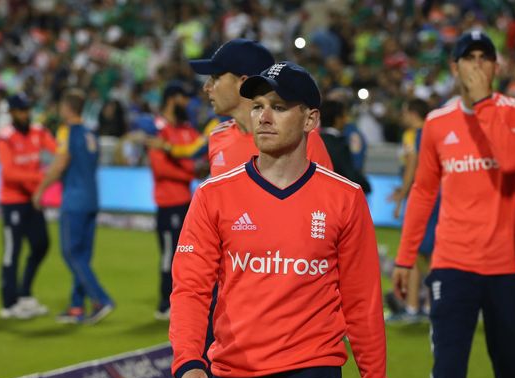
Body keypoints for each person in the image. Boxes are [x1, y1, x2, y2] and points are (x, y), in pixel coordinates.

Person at [169, 61, 390, 378]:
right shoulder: (213, 195)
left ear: (310, 120)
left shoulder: (345, 199)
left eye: (280, 107)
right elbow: (190, 288)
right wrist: (189, 360)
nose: (264, 117)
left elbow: (362, 302)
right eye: (257, 106)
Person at [392, 31, 515, 378]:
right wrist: (405, 259)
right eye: (467, 58)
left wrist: (485, 104)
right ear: (454, 69)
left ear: (495, 66)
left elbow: (509, 161)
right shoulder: (437, 123)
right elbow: (422, 193)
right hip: (453, 265)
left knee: (513, 375)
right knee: (447, 376)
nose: (476, 65)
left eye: (483, 57)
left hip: (510, 265)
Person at [188, 39, 333, 176]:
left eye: (215, 78)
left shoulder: (301, 139)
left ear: (242, 82)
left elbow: (325, 198)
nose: (206, 87)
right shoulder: (218, 136)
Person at [33, 88, 115, 325]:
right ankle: (77, 307)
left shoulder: (65, 132)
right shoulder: (91, 134)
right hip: (92, 198)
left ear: (67, 108)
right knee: (83, 256)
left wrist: (41, 189)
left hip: (74, 199)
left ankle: (100, 299)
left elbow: (60, 164)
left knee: (70, 252)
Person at [0, 94, 55, 319]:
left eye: (27, 109)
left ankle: (25, 293)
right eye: (21, 110)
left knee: (41, 244)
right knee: (13, 251)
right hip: (13, 202)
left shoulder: (38, 131)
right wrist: (40, 177)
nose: (25, 114)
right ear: (11, 113)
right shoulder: (5, 138)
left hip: (32, 200)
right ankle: (9, 304)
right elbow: (9, 173)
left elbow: (58, 150)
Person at [149, 81, 203, 320]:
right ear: (172, 99)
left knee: (187, 255)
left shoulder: (187, 129)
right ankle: (164, 303)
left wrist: (190, 169)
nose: (188, 103)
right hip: (168, 203)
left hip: (187, 202)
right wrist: (189, 172)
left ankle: (180, 300)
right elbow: (160, 169)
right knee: (169, 254)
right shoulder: (158, 129)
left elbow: (200, 159)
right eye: (184, 98)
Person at [386, 98, 434, 323]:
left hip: (420, 196)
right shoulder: (436, 131)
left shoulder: (411, 135)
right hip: (438, 196)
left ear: (413, 112)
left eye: (405, 111)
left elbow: (412, 165)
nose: (403, 116)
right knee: (433, 252)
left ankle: (413, 306)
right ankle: (430, 304)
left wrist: (401, 197)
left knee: (412, 252)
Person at [318, 99, 371, 192]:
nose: (346, 120)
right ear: (337, 119)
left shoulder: (313, 140)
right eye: (344, 116)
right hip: (336, 196)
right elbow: (351, 177)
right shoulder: (339, 145)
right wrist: (366, 185)